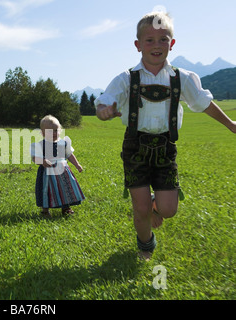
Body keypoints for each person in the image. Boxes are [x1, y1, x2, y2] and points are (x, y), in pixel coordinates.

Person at [95, 11, 236, 260]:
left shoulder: (182, 78)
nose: (157, 45)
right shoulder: (127, 79)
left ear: (172, 43)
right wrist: (104, 112)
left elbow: (204, 103)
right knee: (140, 209)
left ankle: (155, 203)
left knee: (169, 210)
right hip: (135, 146)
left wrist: (230, 124)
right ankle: (145, 246)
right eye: (149, 40)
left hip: (165, 147)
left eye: (163, 39)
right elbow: (105, 102)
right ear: (138, 45)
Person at [30, 115, 85, 218]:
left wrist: (77, 165)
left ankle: (66, 207)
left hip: (63, 172)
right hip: (47, 173)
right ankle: (45, 210)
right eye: (50, 131)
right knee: (45, 190)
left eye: (56, 130)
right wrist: (42, 161)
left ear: (60, 130)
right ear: (42, 133)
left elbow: (69, 155)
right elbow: (34, 158)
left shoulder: (63, 143)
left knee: (65, 188)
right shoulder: (40, 145)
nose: (54, 133)